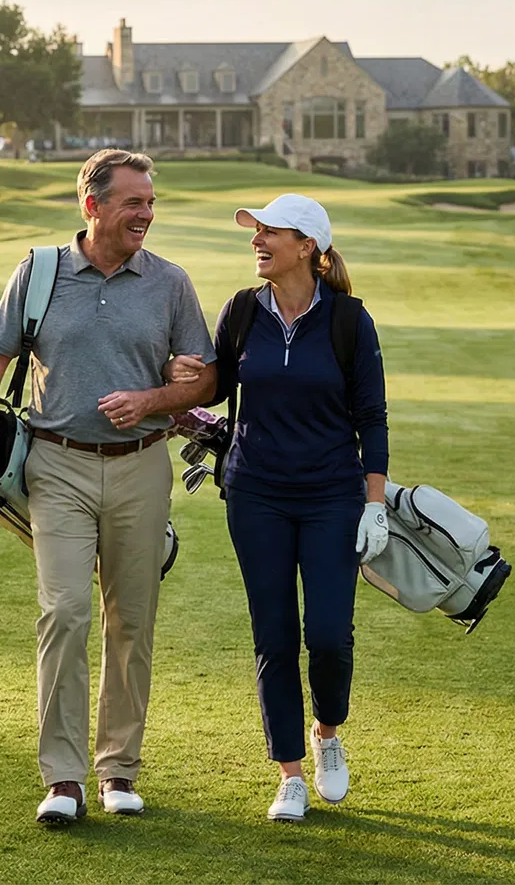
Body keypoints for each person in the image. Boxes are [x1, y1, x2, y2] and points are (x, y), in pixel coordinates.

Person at [0, 149, 217, 826]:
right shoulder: (39, 273)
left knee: (131, 619)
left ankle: (118, 770)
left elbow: (206, 381)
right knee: (65, 611)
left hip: (141, 464)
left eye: (151, 203)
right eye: (134, 203)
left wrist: (154, 397)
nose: (147, 215)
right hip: (58, 466)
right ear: (93, 206)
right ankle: (63, 778)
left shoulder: (170, 283)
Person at [168, 192, 389, 823]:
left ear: (308, 247)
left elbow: (371, 417)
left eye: (271, 232)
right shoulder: (241, 311)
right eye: (255, 232)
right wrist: (183, 377)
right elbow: (215, 384)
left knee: (328, 635)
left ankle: (327, 732)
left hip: (332, 496)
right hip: (255, 492)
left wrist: (374, 504)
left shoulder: (350, 321)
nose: (257, 241)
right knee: (274, 635)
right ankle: (289, 771)